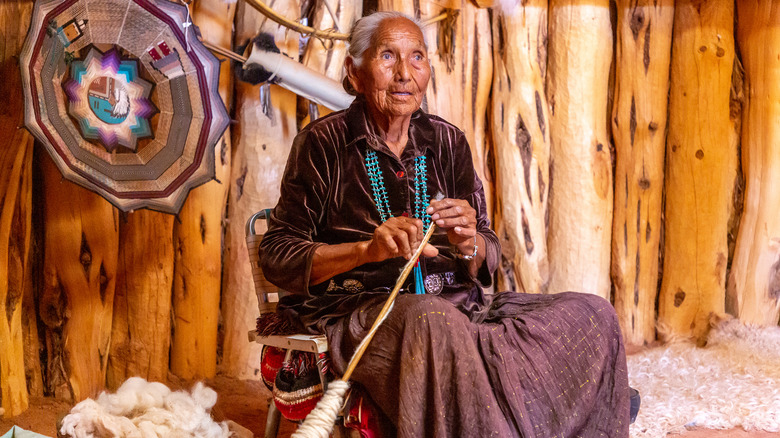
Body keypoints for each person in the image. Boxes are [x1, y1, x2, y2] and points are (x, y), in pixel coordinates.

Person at [259, 11, 630, 438]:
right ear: (354, 73)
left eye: (417, 58)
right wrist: (366, 251)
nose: (404, 74)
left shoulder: (447, 141)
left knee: (591, 314)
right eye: (387, 56)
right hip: (364, 314)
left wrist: (469, 242)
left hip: (460, 307)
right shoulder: (323, 144)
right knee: (432, 320)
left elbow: (487, 247)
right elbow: (277, 254)